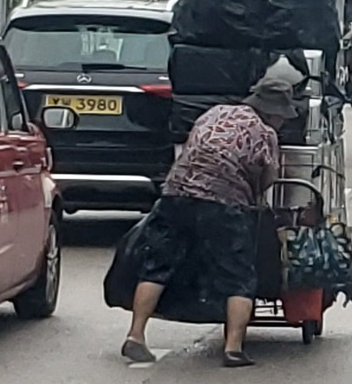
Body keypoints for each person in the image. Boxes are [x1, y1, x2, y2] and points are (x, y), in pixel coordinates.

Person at [121, 78, 296, 368]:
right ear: (274, 113)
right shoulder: (264, 133)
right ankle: (233, 349)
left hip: (175, 195)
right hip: (223, 203)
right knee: (238, 275)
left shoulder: (213, 114)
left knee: (157, 265)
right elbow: (268, 178)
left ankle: (135, 335)